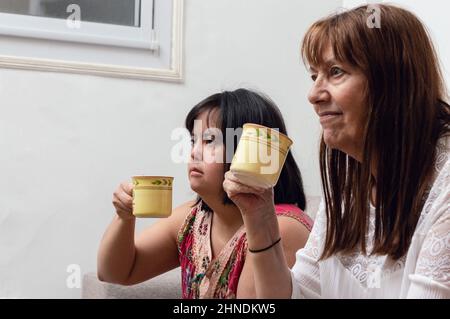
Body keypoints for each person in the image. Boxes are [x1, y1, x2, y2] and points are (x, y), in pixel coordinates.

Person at [224, 4, 450, 298]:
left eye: (335, 72)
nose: (314, 95)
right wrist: (260, 218)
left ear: (393, 81)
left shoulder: (443, 186)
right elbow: (297, 294)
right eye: (314, 76)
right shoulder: (347, 186)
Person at [97, 89, 313, 299]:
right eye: (193, 140)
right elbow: (115, 272)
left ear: (250, 150)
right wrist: (124, 217)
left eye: (210, 141)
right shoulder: (193, 219)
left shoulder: (281, 227)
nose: (194, 152)